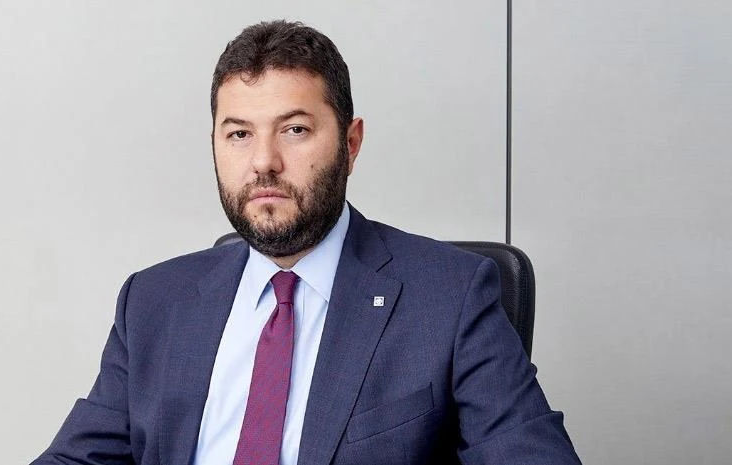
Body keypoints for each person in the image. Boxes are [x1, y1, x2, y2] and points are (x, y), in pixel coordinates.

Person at [31, 20, 581, 465]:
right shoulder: (153, 301)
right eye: (239, 133)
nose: (263, 161)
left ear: (350, 143)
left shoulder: (450, 296)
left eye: (294, 129)